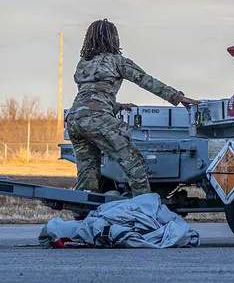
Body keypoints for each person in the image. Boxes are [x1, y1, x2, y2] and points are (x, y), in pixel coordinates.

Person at [65, 19, 199, 197]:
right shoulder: (117, 61)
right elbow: (146, 81)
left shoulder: (83, 64)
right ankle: (144, 208)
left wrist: (119, 106)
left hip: (75, 120)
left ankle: (81, 215)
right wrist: (179, 98)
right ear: (113, 39)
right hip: (97, 120)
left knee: (87, 176)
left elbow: (89, 97)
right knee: (134, 163)